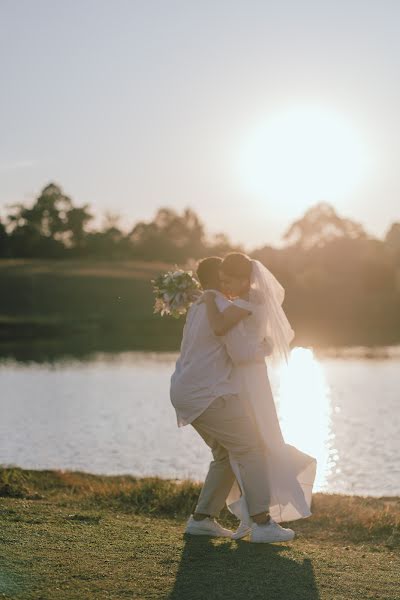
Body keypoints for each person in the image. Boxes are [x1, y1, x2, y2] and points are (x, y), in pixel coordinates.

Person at [170, 256, 296, 543]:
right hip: (207, 393)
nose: (229, 285)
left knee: (225, 453)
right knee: (251, 447)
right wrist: (264, 349)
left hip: (182, 390)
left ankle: (202, 519)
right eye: (225, 279)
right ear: (220, 279)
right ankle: (263, 523)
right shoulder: (224, 308)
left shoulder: (199, 306)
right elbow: (239, 353)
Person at [202, 252, 317, 540]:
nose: (225, 285)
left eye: (229, 280)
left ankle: (257, 514)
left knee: (258, 440)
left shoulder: (250, 301)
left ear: (244, 279)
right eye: (222, 280)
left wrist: (208, 298)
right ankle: (249, 514)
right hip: (241, 377)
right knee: (245, 445)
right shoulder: (243, 300)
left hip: (249, 380)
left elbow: (228, 337)